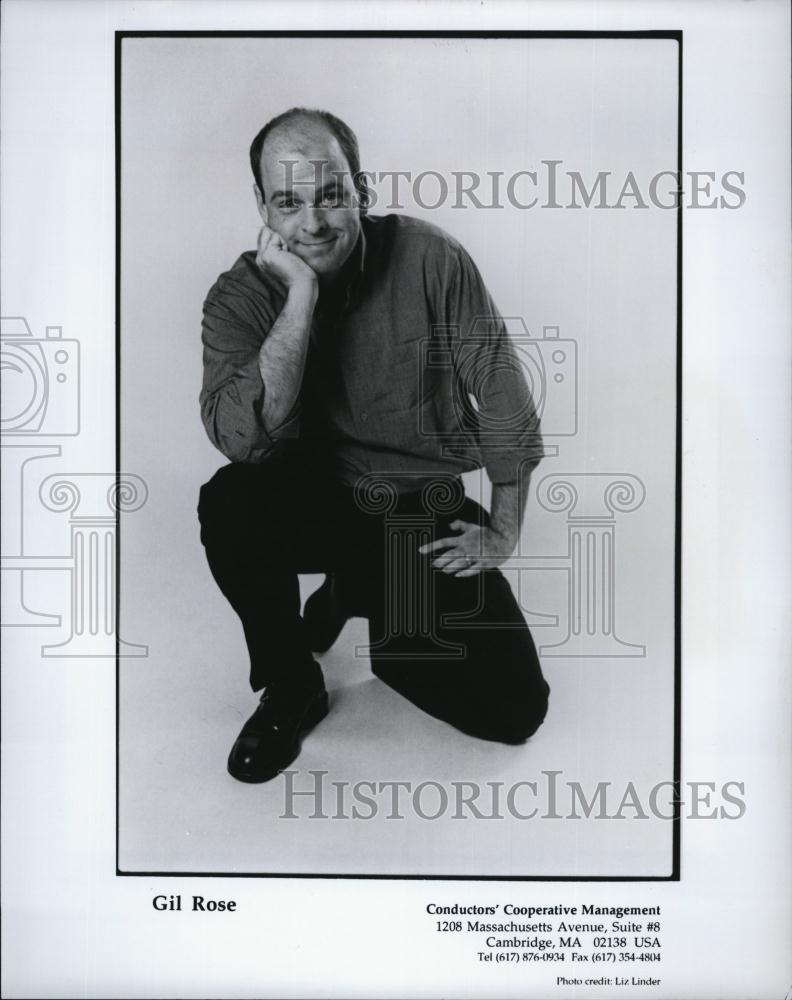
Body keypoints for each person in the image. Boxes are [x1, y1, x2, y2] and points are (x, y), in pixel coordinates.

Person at [197, 107, 550, 783]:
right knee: (232, 500)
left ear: (361, 187)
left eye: (331, 196)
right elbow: (242, 437)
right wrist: (299, 298)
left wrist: (504, 527)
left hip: (413, 510)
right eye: (289, 203)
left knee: (513, 712)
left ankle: (366, 603)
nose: (315, 224)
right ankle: (292, 684)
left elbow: (502, 387)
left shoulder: (429, 257)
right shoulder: (239, 297)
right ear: (262, 207)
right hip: (312, 502)